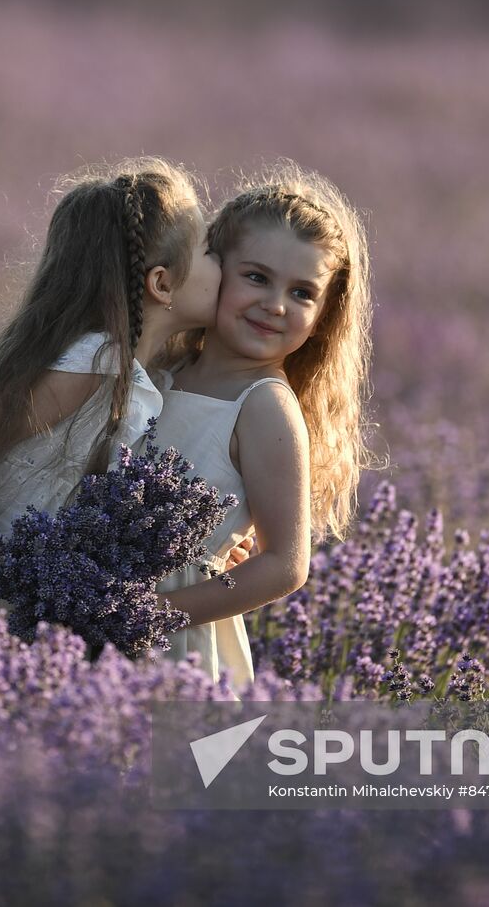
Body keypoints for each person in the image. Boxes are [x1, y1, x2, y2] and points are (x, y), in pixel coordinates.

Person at [0, 157, 223, 644]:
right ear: (162, 284)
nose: (224, 265)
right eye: (210, 251)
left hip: (38, 622)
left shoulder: (142, 377)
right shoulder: (96, 362)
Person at [149, 161, 376, 698]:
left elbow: (283, 565)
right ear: (211, 270)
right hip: (99, 609)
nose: (275, 305)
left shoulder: (265, 407)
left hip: (177, 642)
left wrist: (157, 613)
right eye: (256, 277)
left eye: (302, 293)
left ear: (325, 314)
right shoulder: (162, 372)